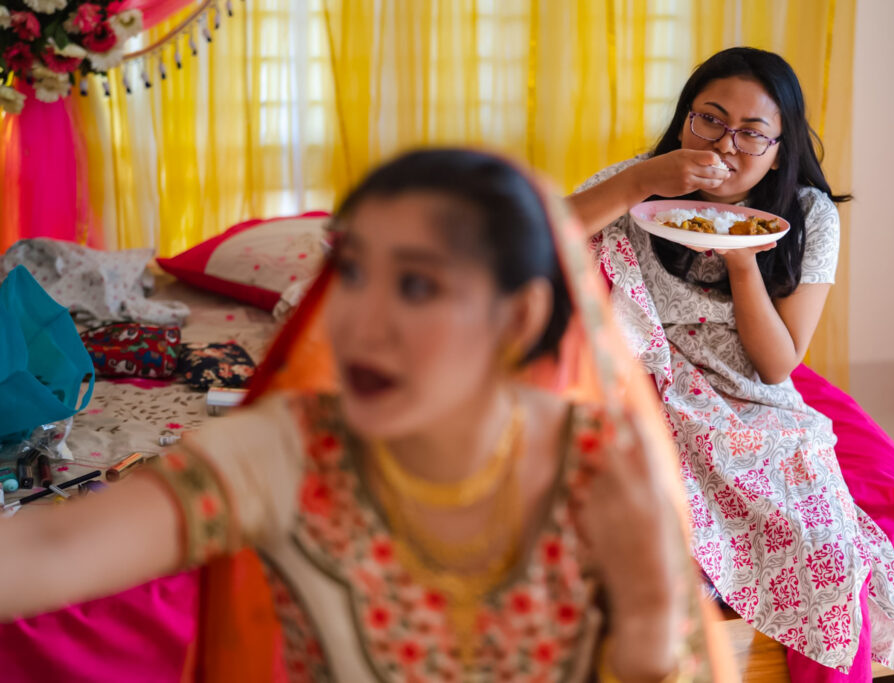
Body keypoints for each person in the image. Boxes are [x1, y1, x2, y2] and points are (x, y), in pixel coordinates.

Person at [0, 149, 730, 683]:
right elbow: (57, 548)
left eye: (416, 285)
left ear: (517, 319)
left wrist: (646, 616)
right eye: (350, 271)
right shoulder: (289, 448)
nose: (357, 321)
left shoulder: (599, 469)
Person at [568, 46, 894, 681]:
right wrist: (639, 182)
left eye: (752, 133)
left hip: (752, 386)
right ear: (685, 119)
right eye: (709, 119)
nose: (726, 145)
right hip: (648, 368)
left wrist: (742, 256)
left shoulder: (808, 216)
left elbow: (778, 364)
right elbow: (543, 236)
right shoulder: (640, 185)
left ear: (780, 150)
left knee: (819, 539)